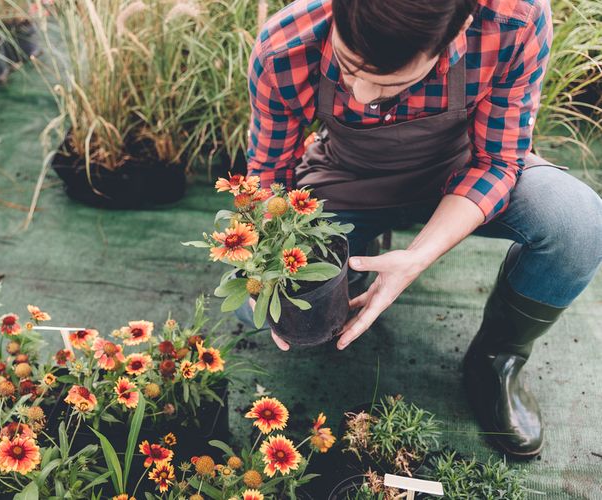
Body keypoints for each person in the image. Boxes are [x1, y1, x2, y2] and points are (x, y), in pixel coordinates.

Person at [243, 0, 602, 457]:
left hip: (463, 170)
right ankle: (354, 258)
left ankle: (497, 360)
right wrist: (267, 267)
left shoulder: (513, 20)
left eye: (390, 81)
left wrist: (417, 258)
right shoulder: (285, 46)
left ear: (456, 35)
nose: (360, 93)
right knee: (277, 308)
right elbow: (268, 176)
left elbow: (498, 161)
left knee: (579, 223)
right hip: (347, 179)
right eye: (349, 67)